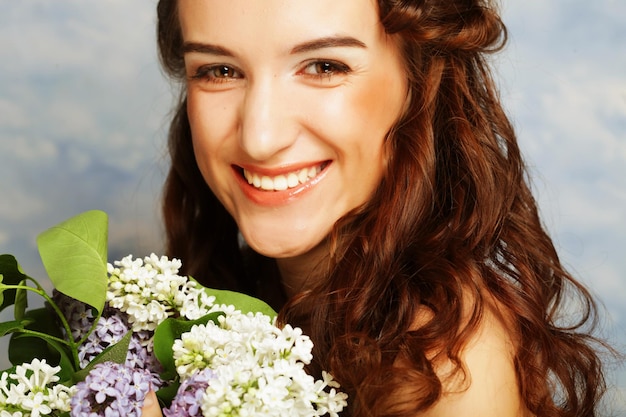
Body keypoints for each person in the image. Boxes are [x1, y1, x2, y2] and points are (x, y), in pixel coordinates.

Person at [147, 0, 611, 416]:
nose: (259, 138)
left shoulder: (451, 372)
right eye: (219, 71)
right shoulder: (240, 296)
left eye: (324, 66)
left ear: (421, 83)